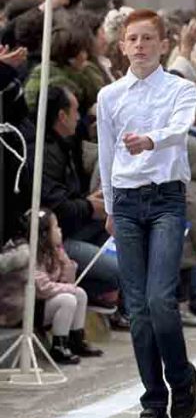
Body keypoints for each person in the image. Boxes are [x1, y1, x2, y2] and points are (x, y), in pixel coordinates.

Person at [97, 8, 196, 418]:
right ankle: (153, 400)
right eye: (132, 39)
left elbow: (181, 128)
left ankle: (181, 377)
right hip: (125, 201)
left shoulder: (180, 88)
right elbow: (106, 153)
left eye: (147, 38)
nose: (140, 46)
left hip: (166, 200)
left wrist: (150, 140)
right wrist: (109, 206)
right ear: (122, 46)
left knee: (160, 300)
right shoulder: (109, 96)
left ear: (164, 44)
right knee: (137, 308)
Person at [36, 85, 119, 303]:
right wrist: (90, 206)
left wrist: (91, 201)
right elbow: (57, 208)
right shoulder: (45, 154)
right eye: (75, 111)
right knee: (123, 270)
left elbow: (70, 196)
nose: (79, 117)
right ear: (62, 116)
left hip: (75, 226)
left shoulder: (66, 145)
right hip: (57, 239)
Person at [32, 208, 103, 364]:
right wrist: (69, 289)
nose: (60, 230)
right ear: (43, 233)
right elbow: (42, 288)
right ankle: (59, 346)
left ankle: (76, 339)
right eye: (56, 227)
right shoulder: (31, 255)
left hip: (43, 303)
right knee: (67, 299)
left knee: (80, 293)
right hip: (29, 308)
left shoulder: (53, 251)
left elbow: (68, 283)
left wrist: (66, 263)